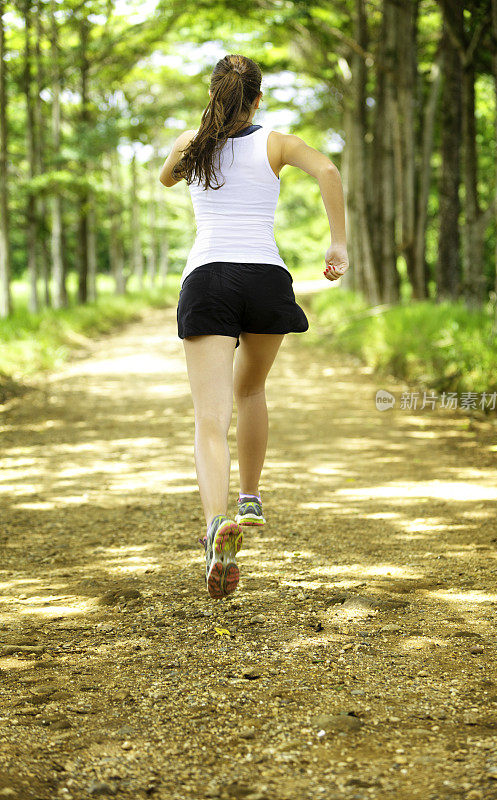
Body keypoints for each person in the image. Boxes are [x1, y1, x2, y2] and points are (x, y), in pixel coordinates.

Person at [159, 53, 349, 601]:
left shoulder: (192, 143)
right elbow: (329, 172)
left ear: (214, 95)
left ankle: (216, 524)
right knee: (252, 388)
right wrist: (337, 245)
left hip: (209, 276)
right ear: (259, 99)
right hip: (266, 277)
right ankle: (250, 498)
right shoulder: (279, 143)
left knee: (209, 416)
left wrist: (194, 137)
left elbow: (166, 179)